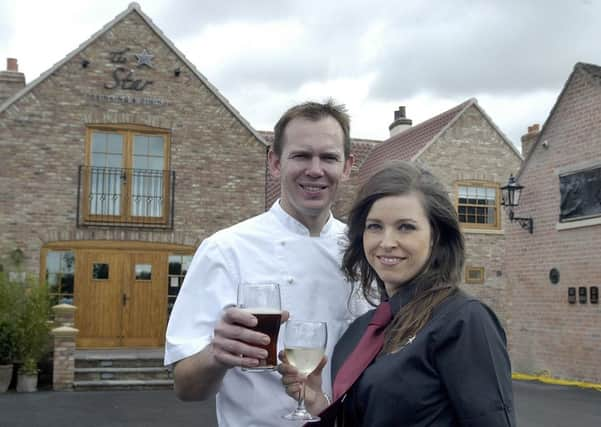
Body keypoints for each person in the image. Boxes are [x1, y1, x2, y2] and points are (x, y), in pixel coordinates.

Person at [165, 99, 368, 427]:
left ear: (346, 166)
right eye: (301, 155)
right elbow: (186, 388)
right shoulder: (225, 249)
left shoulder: (365, 253)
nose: (315, 170)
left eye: (328, 157)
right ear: (275, 162)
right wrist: (217, 355)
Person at [279, 161, 516, 426]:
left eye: (406, 227)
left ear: (436, 237)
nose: (387, 242)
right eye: (375, 226)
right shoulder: (360, 330)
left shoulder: (464, 320)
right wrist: (319, 406)